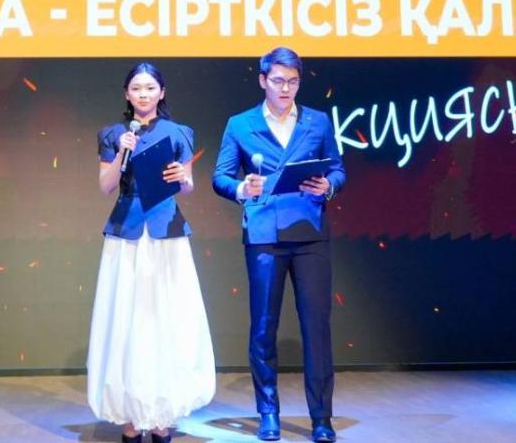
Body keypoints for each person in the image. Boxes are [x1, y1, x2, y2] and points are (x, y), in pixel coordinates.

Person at [212, 47, 346, 443]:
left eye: (292, 82)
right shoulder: (240, 124)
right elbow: (220, 177)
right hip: (264, 236)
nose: (285, 88)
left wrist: (328, 185)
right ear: (262, 80)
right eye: (278, 81)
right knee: (263, 327)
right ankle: (268, 412)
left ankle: (321, 417)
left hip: (309, 232)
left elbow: (338, 168)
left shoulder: (318, 121)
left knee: (316, 327)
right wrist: (242, 188)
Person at [87, 62, 216, 443]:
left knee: (166, 317)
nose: (143, 94)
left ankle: (162, 415)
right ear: (126, 94)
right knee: (126, 319)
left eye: (150, 88)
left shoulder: (179, 132)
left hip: (166, 233)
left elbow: (188, 186)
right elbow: (106, 186)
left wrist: (183, 178)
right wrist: (120, 155)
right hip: (126, 233)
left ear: (161, 92)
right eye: (136, 88)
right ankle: (130, 415)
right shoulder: (113, 134)